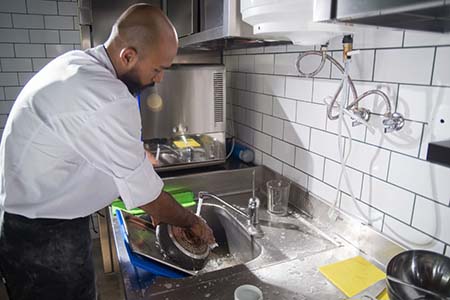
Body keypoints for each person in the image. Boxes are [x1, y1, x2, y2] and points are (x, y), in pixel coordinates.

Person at [0, 4, 215, 300]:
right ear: (128, 56)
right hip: (44, 239)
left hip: (34, 227)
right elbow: (148, 197)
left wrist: (137, 162)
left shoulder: (78, 64)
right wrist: (190, 221)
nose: (159, 79)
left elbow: (92, 139)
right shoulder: (107, 95)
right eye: (157, 69)